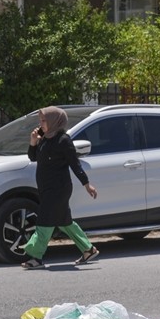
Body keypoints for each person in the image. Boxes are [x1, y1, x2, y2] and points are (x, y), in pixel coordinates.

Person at [22, 106, 99, 269]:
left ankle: (36, 256)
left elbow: (75, 164)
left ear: (54, 121)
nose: (41, 124)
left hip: (59, 189)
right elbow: (33, 157)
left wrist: (87, 184)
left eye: (44, 120)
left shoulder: (63, 140)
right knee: (65, 222)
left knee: (44, 220)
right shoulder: (44, 138)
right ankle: (88, 249)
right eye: (40, 120)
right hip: (46, 188)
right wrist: (33, 142)